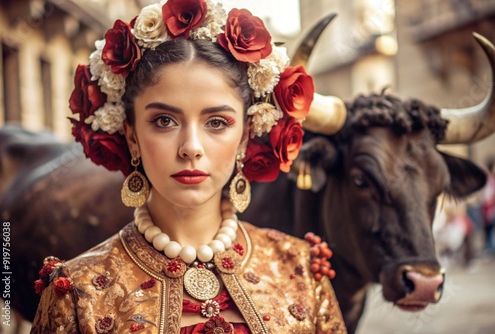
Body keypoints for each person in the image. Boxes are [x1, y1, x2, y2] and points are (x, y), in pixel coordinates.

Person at [30, 0, 347, 333]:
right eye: (164, 120)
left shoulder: (301, 270)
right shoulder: (78, 293)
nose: (191, 148)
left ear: (245, 136)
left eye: (217, 122)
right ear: (132, 136)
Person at [482, 158, 495, 255]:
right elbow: (486, 198)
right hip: (489, 209)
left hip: (490, 209)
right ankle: (490, 248)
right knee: (489, 230)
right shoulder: (488, 180)